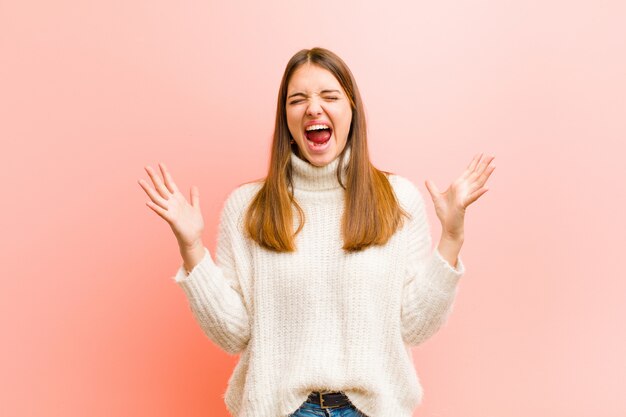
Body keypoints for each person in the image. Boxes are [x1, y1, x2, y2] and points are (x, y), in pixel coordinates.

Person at [138, 47, 495, 417]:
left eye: (329, 96)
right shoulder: (247, 207)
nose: (313, 108)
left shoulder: (397, 199)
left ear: (351, 109)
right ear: (286, 118)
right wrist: (191, 246)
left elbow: (415, 326)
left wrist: (451, 238)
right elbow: (233, 334)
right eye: (298, 100)